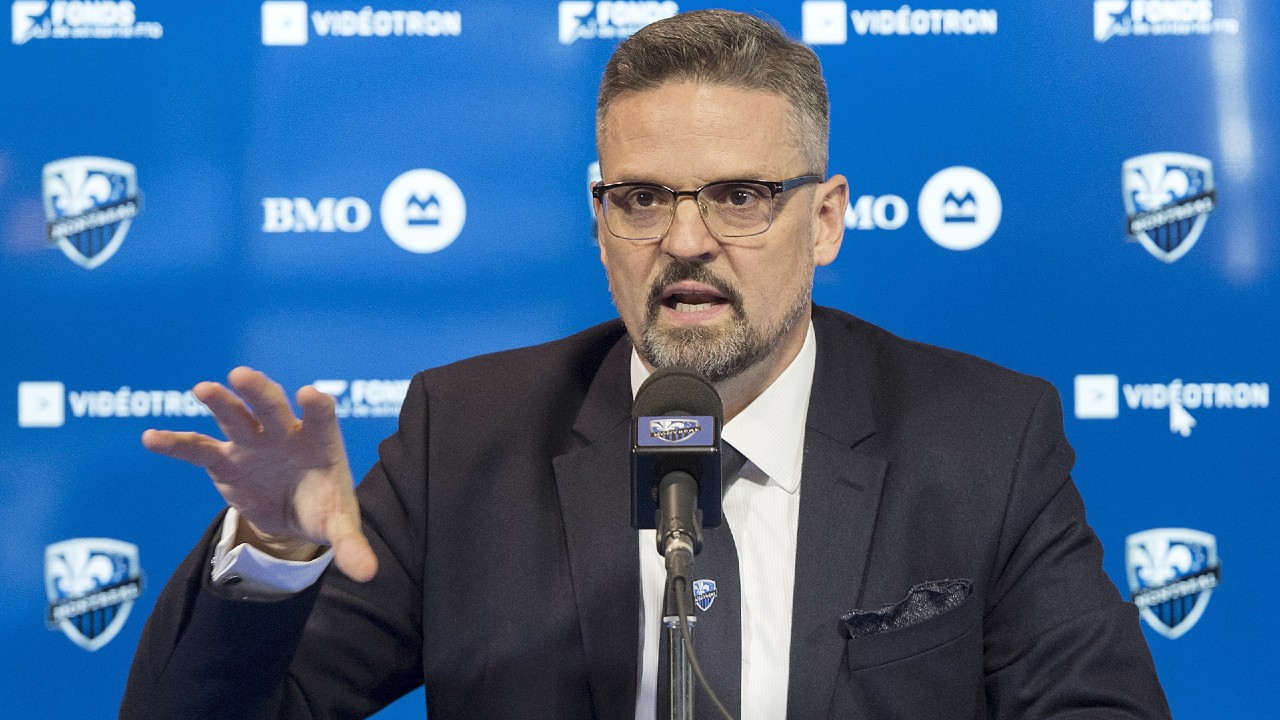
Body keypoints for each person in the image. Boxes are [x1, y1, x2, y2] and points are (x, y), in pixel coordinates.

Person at [121, 9, 1171, 720]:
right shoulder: (467, 436)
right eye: (641, 198)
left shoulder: (983, 436)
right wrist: (272, 553)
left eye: (740, 197)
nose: (684, 240)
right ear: (599, 220)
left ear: (824, 221)